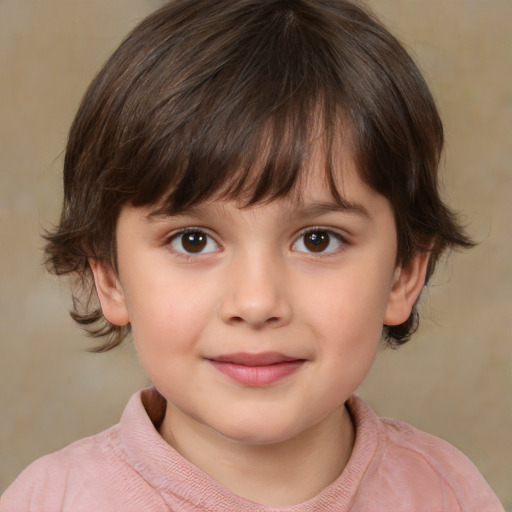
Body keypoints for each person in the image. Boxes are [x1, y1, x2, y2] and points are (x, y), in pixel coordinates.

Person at [0, 0, 504, 510]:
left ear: (405, 273)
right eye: (193, 240)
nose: (258, 302)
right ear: (109, 277)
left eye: (318, 240)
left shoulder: (448, 492)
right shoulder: (51, 500)